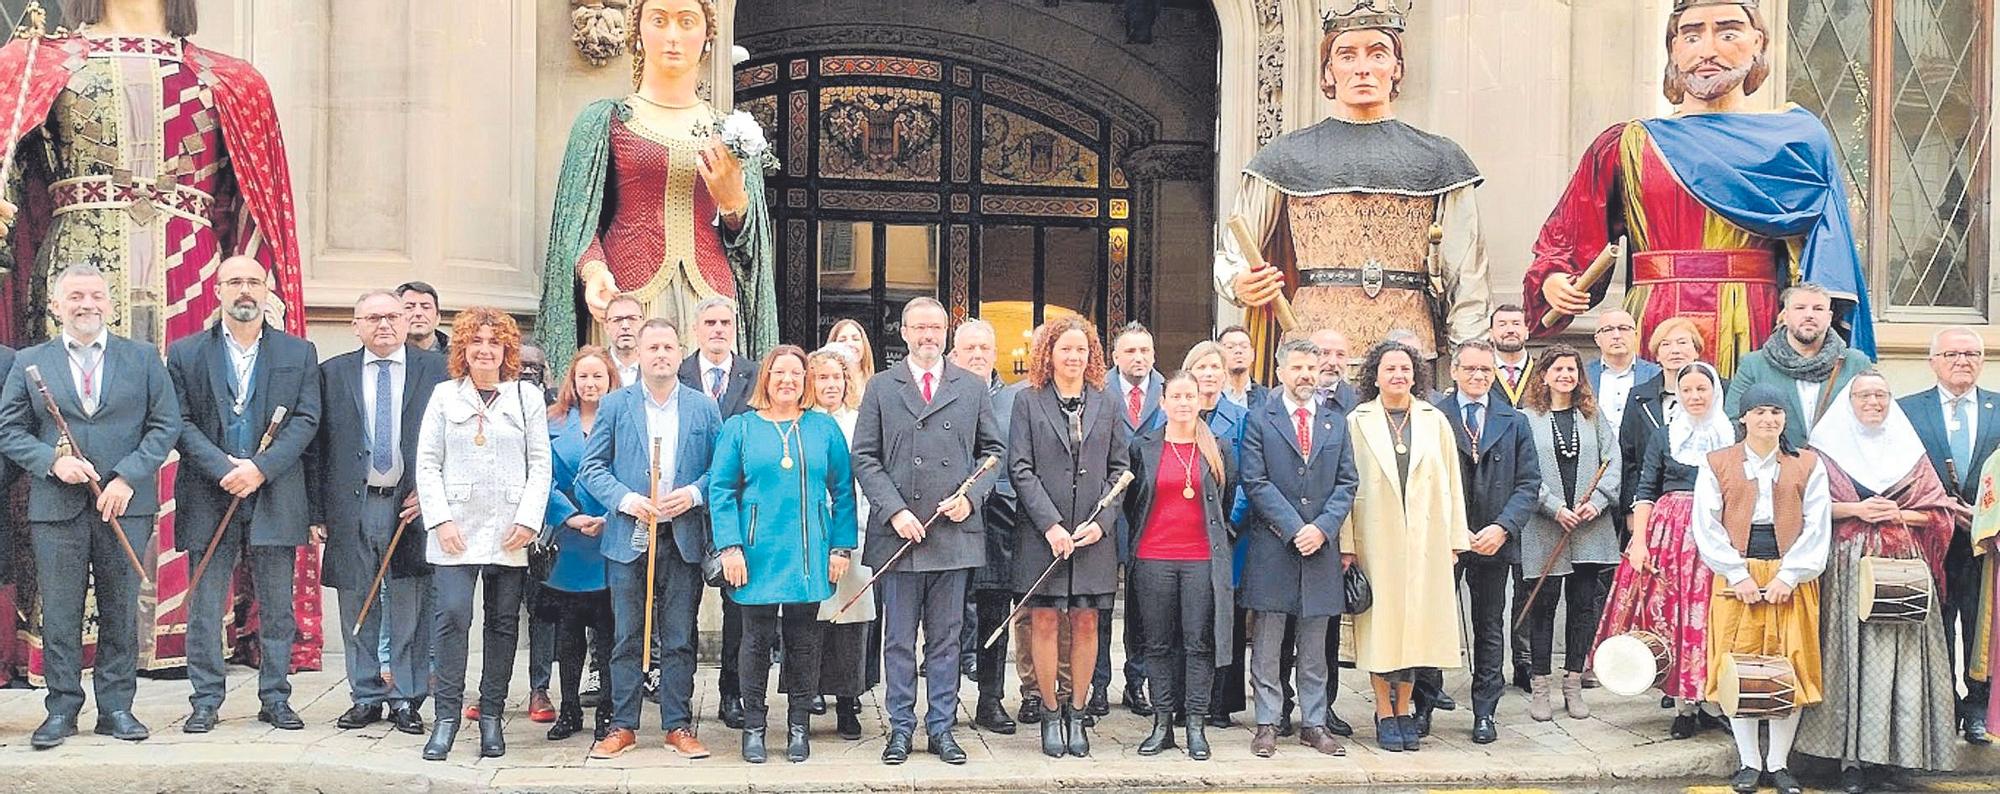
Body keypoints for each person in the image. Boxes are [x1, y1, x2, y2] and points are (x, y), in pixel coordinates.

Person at [0, 0, 312, 680]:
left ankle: (181, 631)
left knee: (189, 424)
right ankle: (69, 635)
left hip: (194, 270)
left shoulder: (233, 78)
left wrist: (264, 299)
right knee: (73, 425)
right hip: (78, 265)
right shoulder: (34, 64)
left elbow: (255, 210)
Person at [1526, 0, 1874, 375]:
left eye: (1728, 32)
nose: (1708, 50)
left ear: (1758, 41)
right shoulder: (1628, 143)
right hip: (1654, 321)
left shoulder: (1797, 140)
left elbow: (1826, 256)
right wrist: (1555, 278)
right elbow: (1570, 235)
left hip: (1755, 320)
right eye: (1692, 35)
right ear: (1674, 47)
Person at [1214, 0, 1490, 369]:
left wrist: (1470, 360)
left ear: (1397, 67)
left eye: (1377, 54)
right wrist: (1239, 281)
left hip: (1408, 354)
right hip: (1311, 356)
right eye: (1347, 56)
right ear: (1328, 72)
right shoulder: (1284, 156)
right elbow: (1232, 253)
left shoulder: (1440, 159)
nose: (1362, 68)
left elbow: (1467, 275)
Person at [0, 263, 182, 749]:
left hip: (126, 505)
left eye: (96, 296)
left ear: (110, 303)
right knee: (60, 612)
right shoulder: (31, 362)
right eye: (76, 296)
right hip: (56, 506)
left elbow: (165, 425)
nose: (87, 305)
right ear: (57, 305)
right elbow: (9, 430)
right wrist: (51, 463)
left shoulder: (142, 358)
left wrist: (127, 476)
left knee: (121, 610)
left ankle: (117, 708)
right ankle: (61, 709)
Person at [540, 0, 778, 368]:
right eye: (659, 20)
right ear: (637, 32)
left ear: (707, 36)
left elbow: (751, 245)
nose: (672, 36)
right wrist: (593, 271)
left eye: (686, 22)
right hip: (628, 292)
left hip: (710, 297)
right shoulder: (607, 121)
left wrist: (734, 205)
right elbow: (578, 223)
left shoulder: (730, 132)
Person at [166, 257, 321, 733]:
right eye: (235, 282)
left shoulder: (299, 352)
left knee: (277, 605)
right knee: (207, 605)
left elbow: (306, 419)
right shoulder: (185, 352)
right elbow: (179, 422)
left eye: (254, 282)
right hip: (209, 492)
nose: (245, 291)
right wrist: (223, 470)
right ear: (218, 291)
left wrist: (260, 469)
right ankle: (206, 700)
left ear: (268, 290)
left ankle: (275, 697)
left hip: (274, 492)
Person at [850, 297, 1006, 766]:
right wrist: (895, 511)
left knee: (946, 638)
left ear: (946, 333)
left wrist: (970, 497)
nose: (927, 336)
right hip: (899, 535)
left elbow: (993, 453)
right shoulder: (881, 387)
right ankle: (900, 727)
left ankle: (941, 727)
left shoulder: (972, 387)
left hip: (953, 535)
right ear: (903, 332)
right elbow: (865, 456)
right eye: (919, 328)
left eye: (935, 328)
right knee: (898, 639)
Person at [1796, 371, 1959, 792]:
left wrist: (1896, 515)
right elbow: (1807, 508)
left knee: (1899, 661)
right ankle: (1849, 760)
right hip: (1847, 567)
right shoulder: (1825, 453)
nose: (1874, 402)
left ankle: (1892, 756)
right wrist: (1855, 509)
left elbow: (1939, 512)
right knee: (1846, 657)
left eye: (1882, 395)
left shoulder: (1910, 452)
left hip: (1902, 565)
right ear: (1849, 402)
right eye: (1865, 395)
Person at [576, 319, 722, 759]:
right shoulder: (615, 405)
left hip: (682, 537)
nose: (661, 354)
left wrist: (694, 493)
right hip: (629, 536)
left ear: (681, 353)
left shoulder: (702, 408)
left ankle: (677, 724)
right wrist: (625, 500)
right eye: (652, 347)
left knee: (679, 635)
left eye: (668, 347)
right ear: (638, 354)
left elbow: (721, 471)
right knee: (626, 635)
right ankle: (623, 724)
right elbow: (592, 468)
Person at [707, 345, 859, 764]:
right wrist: (730, 547)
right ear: (766, 379)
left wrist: (841, 546)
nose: (787, 380)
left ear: (805, 380)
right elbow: (720, 492)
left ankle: (797, 727)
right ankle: (754, 726)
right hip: (754, 551)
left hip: (809, 551)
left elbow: (843, 491)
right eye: (779, 373)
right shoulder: (740, 427)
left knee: (804, 642)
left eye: (796, 373)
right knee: (754, 641)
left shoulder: (822, 429)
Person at [413, 308, 552, 761]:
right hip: (456, 529)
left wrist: (529, 519)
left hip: (510, 530)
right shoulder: (444, 396)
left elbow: (540, 464)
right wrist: (440, 519)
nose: (486, 351)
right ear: (464, 350)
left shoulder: (526, 398)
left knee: (503, 622)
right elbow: (428, 462)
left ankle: (491, 714)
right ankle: (447, 718)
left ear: (507, 350)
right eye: (477, 343)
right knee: (453, 616)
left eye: (495, 343)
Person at [310, 291, 448, 736]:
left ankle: (406, 697)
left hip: (412, 505)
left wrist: (433, 493)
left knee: (409, 604)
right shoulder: (333, 373)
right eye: (373, 318)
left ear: (407, 322)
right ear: (356, 325)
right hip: (354, 504)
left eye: (393, 316)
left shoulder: (437, 372)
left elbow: (454, 440)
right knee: (357, 601)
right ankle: (366, 695)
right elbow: (317, 448)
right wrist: (317, 510)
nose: (384, 324)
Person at [1692, 385, 1830, 794]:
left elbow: (1817, 522)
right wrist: (1737, 574)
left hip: (1792, 573)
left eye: (1776, 412)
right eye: (1760, 412)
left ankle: (1779, 762)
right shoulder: (1717, 463)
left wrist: (1791, 575)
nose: (1768, 419)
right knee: (1740, 667)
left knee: (1790, 666)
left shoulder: (1807, 463)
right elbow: (1707, 523)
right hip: (1739, 575)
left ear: (1784, 418)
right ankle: (1750, 762)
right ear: (1743, 418)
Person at [1008, 315, 1131, 759]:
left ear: (1091, 355)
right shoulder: (1028, 401)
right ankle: (1048, 711)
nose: (1074, 357)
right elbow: (1019, 468)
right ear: (1050, 354)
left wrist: (1103, 521)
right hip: (1043, 535)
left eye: (1081, 349)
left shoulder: (1107, 401)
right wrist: (1051, 525)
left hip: (1093, 536)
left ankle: (1077, 713)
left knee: (1086, 621)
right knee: (1043, 620)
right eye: (1066, 349)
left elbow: (1122, 468)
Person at [1339, 340, 1465, 753]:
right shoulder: (1356, 421)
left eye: (1406, 369)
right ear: (1374, 374)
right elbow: (1345, 487)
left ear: (1416, 375)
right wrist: (1346, 545)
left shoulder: (1435, 420)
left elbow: (1451, 485)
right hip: (1375, 543)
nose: (1398, 375)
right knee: (1382, 632)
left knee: (1415, 632)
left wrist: (1454, 540)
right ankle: (1382, 711)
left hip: (1425, 543)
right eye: (1390, 368)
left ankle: (1405, 708)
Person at [1594, 362, 1731, 738]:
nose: (1695, 397)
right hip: (1670, 537)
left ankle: (1714, 701)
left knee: (1713, 618)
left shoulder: (1732, 437)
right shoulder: (1665, 436)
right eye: (1687, 390)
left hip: (1718, 536)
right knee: (1673, 618)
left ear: (1714, 391)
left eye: (1702, 389)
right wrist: (1638, 543)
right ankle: (1685, 706)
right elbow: (1645, 490)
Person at [1239, 339, 1359, 757]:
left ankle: (1315, 722)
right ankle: (1268, 722)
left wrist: (1322, 529)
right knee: (1269, 644)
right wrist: (1295, 528)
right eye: (1298, 368)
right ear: (1281, 373)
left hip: (1320, 550)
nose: (1307, 374)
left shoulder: (1335, 422)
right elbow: (1254, 481)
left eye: (1313, 367)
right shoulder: (1259, 419)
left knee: (1314, 647)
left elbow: (1348, 483)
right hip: (1275, 546)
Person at [1125, 371, 1235, 760]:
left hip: (1201, 560)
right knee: (1157, 643)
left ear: (1200, 400)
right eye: (1177, 396)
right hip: (1153, 557)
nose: (1184, 402)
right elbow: (1132, 501)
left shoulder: (1217, 447)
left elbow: (1225, 499)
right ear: (1163, 402)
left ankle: (1196, 725)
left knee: (1198, 643)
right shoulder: (1144, 447)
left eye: (1191, 395)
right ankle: (1161, 722)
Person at [1436, 339, 1539, 744]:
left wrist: (1503, 527)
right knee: (1438, 621)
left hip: (1493, 540)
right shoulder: (1434, 416)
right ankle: (1426, 704)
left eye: (1486, 370)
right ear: (1455, 372)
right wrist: (1449, 530)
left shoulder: (1513, 420)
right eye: (1471, 370)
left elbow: (1529, 483)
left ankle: (1485, 711)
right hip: (1447, 540)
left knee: (1489, 626)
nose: (1479, 377)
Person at [1900, 326, 2000, 745]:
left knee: (1982, 626)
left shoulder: (1999, 407)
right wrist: (1940, 507)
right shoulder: (1906, 410)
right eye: (1952, 354)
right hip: (1930, 538)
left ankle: (1977, 709)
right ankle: (1942, 709)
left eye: (1972, 354)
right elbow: (1899, 470)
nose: (1963, 361)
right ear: (1933, 362)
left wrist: (1982, 513)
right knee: (1935, 623)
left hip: (1986, 541)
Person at [1516, 344, 1620, 721]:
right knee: (1543, 608)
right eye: (1557, 369)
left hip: (1591, 527)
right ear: (1543, 375)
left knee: (1582, 607)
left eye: (1572, 370)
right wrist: (1554, 507)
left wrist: (1599, 502)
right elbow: (1524, 470)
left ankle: (1573, 683)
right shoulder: (1526, 419)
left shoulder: (1593, 417)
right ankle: (1540, 687)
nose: (1565, 375)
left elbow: (1613, 460)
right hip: (1546, 527)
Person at [677, 296, 756, 727]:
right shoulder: (679, 374)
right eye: (710, 322)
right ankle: (680, 696)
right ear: (696, 329)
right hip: (686, 512)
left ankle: (732, 695)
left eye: (726, 322)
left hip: (739, 513)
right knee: (680, 610)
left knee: (738, 612)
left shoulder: (754, 375)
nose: (719, 329)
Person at [542, 347, 621, 742]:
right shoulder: (552, 422)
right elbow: (542, 477)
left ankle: (607, 711)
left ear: (611, 381)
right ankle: (569, 709)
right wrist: (569, 516)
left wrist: (611, 516)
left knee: (607, 637)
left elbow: (633, 474)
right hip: (568, 543)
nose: (590, 385)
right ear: (571, 382)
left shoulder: (625, 420)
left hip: (610, 541)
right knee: (568, 638)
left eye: (598, 377)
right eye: (583, 377)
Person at [950, 319, 1023, 735]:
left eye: (984, 348)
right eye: (969, 349)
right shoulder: (943, 394)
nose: (977, 355)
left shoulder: (1016, 400)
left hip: (1000, 523)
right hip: (951, 523)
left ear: (995, 354)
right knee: (946, 619)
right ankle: (943, 702)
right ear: (954, 355)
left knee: (995, 616)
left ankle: (991, 700)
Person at [1184, 341, 1255, 729]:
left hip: (1229, 533)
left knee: (1226, 618)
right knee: (1191, 617)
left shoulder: (1241, 418)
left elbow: (1248, 476)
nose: (1209, 374)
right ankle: (1188, 697)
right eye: (1201, 367)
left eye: (1215, 367)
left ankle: (1221, 701)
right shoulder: (1177, 414)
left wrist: (1230, 521)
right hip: (1186, 536)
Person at [808, 344, 873, 741]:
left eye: (837, 377)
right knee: (811, 619)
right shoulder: (801, 421)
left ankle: (848, 702)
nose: (830, 384)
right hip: (809, 533)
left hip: (853, 531)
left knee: (850, 618)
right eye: (822, 377)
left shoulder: (859, 422)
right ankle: (810, 691)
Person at [1724, 284, 1873, 449]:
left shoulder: (1855, 364)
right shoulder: (1754, 365)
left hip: (1839, 468)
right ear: (1785, 316)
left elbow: (1874, 419)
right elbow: (1734, 423)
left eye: (1818, 309)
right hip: (1777, 468)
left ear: (1829, 317)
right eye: (1800, 308)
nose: (1809, 315)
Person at [1105, 322, 1162, 716]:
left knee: (1144, 608)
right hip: (1106, 512)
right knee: (1101, 604)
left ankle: (1137, 682)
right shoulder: (1099, 390)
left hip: (1152, 513)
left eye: (1144, 351)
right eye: (1130, 352)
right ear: (1115, 357)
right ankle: (1096, 684)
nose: (1138, 358)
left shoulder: (1171, 391)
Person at [1588, 310, 1660, 441]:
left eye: (1623, 328)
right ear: (1597, 339)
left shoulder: (1655, 375)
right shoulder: (1583, 376)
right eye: (1608, 329)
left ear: (1636, 335)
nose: (1616, 335)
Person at [1490, 305, 1537, 407]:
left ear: (1527, 332)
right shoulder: (1479, 371)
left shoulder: (1543, 370)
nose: (1510, 330)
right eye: (1502, 325)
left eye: (1516, 324)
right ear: (1491, 334)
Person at [1217, 326, 1267, 410]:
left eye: (1244, 346)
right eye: (1230, 347)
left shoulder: (1268, 398)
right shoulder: (1211, 396)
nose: (1238, 351)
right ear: (1219, 355)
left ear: (1252, 355)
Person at [603, 295, 647, 387]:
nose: (625, 326)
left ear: (643, 324)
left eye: (632, 318)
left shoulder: (655, 366)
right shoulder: (597, 366)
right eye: (617, 320)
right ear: (606, 327)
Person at [1310, 329, 1357, 413]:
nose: (1332, 362)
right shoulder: (1285, 397)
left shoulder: (1358, 402)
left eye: (1340, 355)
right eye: (1324, 353)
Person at [398, 282, 449, 354]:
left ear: (438, 317)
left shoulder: (458, 357)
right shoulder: (385, 354)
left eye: (426, 307)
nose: (418, 313)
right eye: (409, 307)